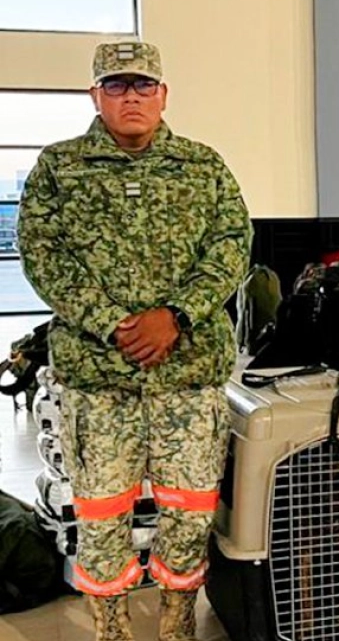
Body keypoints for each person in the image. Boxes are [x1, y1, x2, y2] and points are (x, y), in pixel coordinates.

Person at [17, 41, 252, 641]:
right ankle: (112, 630)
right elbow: (43, 255)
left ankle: (177, 627)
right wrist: (113, 321)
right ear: (95, 96)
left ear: (163, 95)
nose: (132, 98)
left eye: (143, 86)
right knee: (100, 516)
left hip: (187, 373)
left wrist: (176, 315)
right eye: (117, 87)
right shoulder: (58, 169)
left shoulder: (203, 167)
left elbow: (230, 247)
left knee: (188, 511)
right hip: (99, 381)